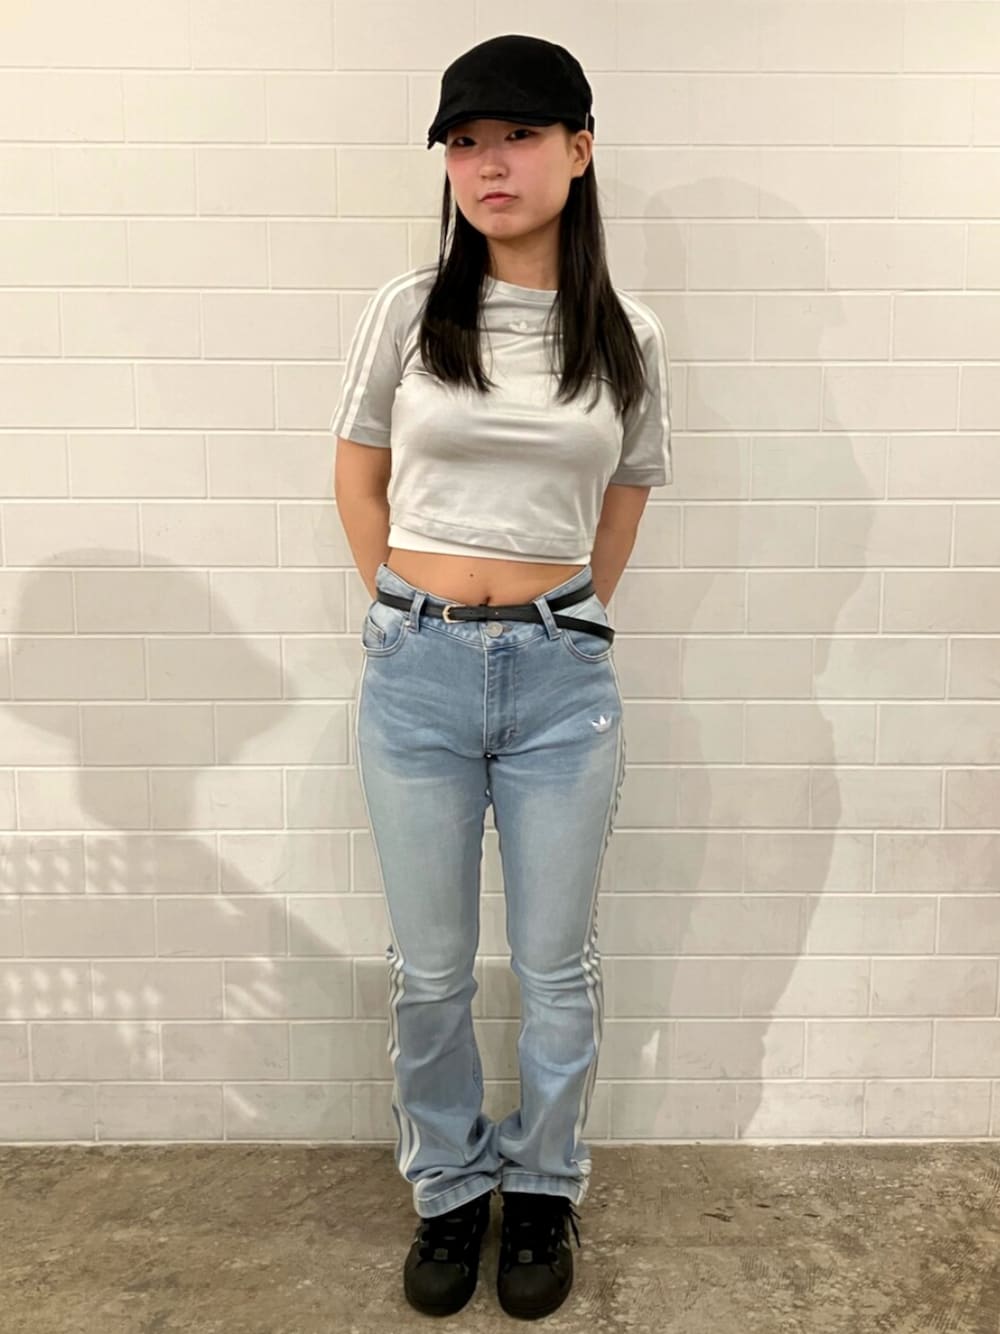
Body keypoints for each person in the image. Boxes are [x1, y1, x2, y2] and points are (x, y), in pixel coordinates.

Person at [331, 33, 672, 1321]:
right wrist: (398, 605)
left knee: (552, 964)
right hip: (415, 672)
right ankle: (448, 1186)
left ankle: (541, 1184)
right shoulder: (408, 311)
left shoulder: (625, 334)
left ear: (579, 151)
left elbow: (628, 487)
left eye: (518, 137)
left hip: (559, 685)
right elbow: (359, 467)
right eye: (465, 143)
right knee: (429, 968)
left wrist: (572, 613)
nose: (489, 165)